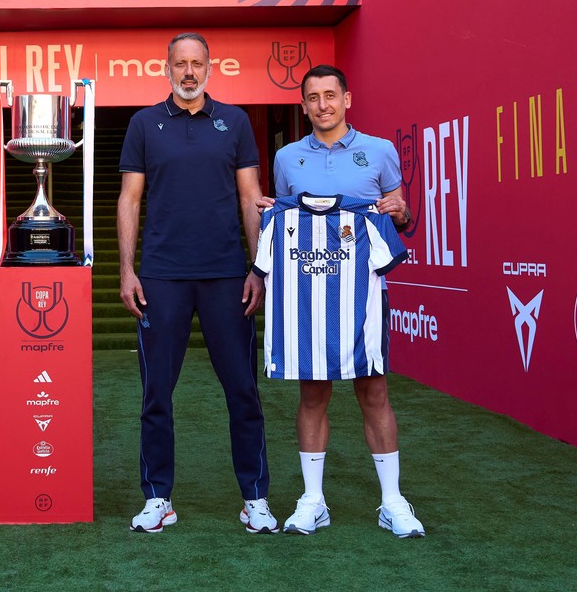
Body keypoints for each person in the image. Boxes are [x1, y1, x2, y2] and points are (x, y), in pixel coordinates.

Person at [117, 32, 275, 534]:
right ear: (166, 68)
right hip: (161, 276)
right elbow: (130, 199)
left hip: (227, 274)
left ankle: (255, 498)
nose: (188, 72)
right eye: (180, 64)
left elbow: (250, 197)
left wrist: (258, 267)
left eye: (197, 64)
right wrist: (127, 269)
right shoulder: (144, 123)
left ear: (210, 67)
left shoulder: (236, 121)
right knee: (156, 394)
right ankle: (157, 498)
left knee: (243, 390)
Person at [260, 64, 425, 538]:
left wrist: (401, 211)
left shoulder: (380, 151)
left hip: (364, 293)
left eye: (330, 95)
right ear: (304, 105)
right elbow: (286, 219)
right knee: (312, 393)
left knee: (373, 391)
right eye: (313, 98)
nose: (323, 105)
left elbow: (402, 218)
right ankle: (313, 500)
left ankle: (392, 501)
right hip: (309, 296)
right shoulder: (287, 158)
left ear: (347, 99)